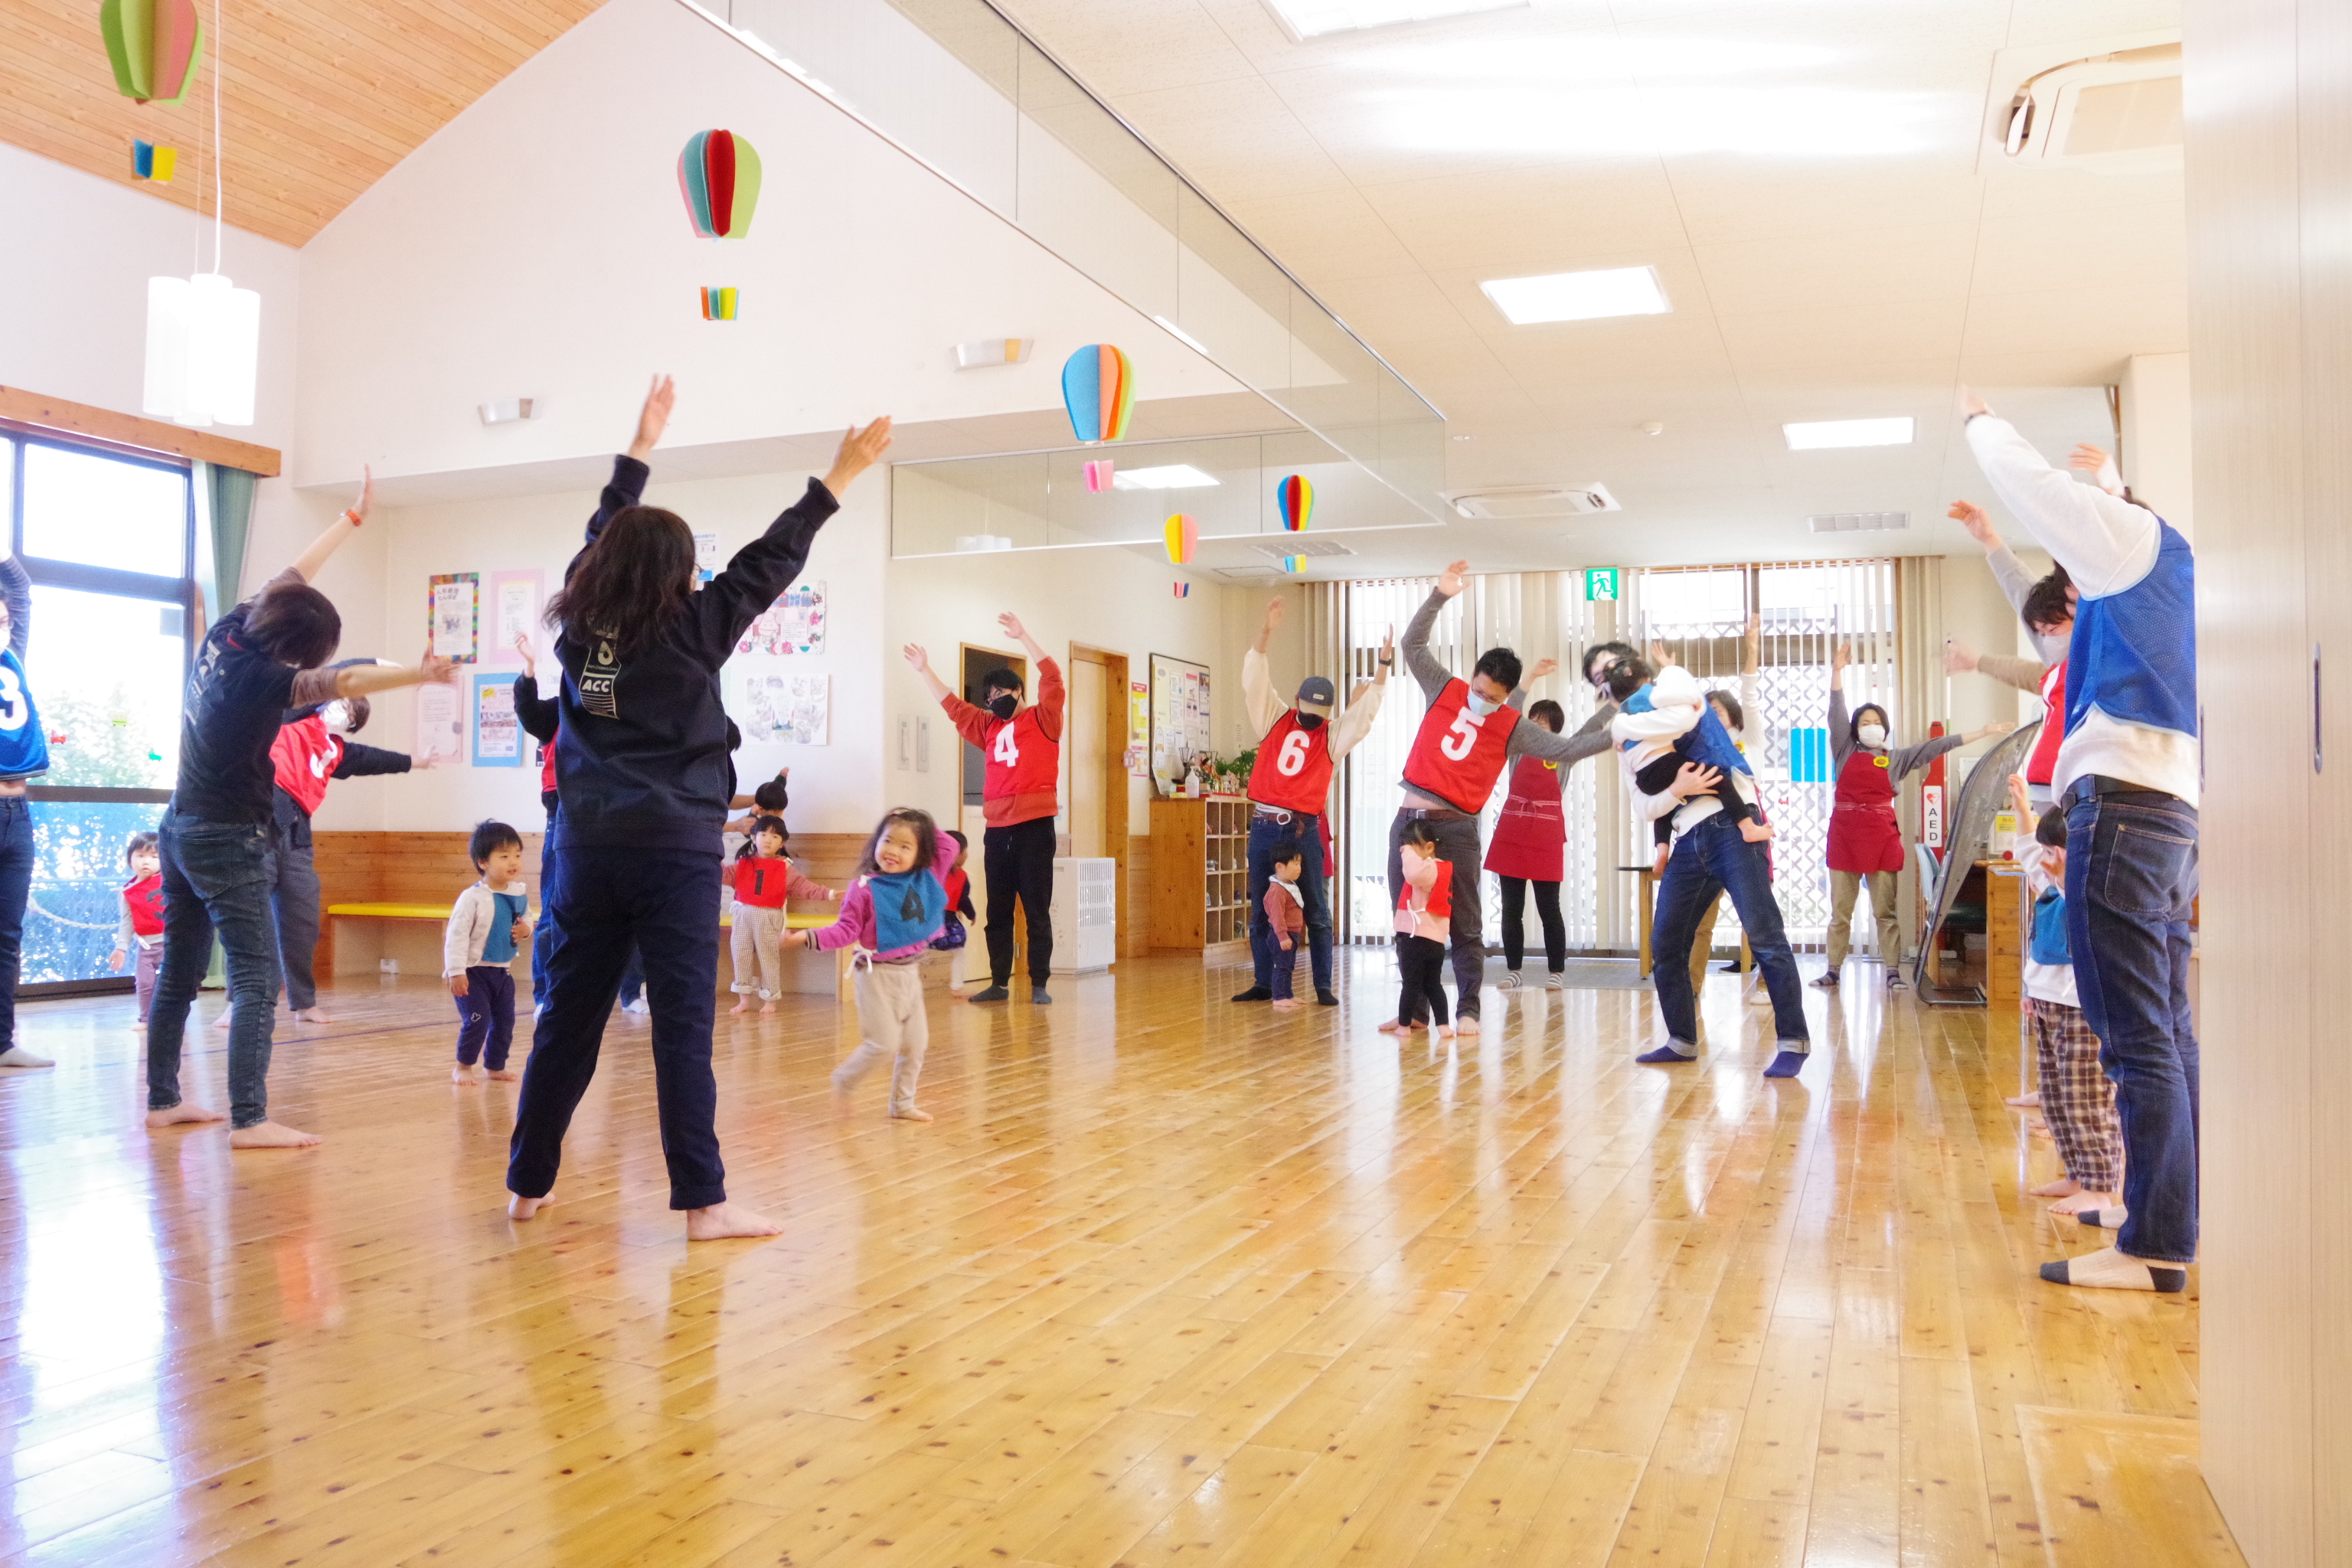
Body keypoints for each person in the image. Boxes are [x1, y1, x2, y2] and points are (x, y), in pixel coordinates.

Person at [506, 375, 891, 1239]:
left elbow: (599, 536)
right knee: (682, 1028)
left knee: (567, 1019)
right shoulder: (692, 628)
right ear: (678, 574)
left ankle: (527, 1185)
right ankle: (702, 1203)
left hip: (585, 849)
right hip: (673, 851)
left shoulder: (576, 631)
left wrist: (638, 452)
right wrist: (839, 475)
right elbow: (771, 559)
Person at [1963, 387, 2197, 1295]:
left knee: (2135, 1036)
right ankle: (2161, 1214)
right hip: (2168, 811)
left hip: (2127, 810)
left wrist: (1982, 422)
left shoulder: (2135, 546)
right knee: (2165, 1030)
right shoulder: (2166, 580)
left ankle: (2154, 1241)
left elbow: (2036, 488)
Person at [145, 469, 457, 1145]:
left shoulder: (229, 631)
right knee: (257, 980)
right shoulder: (261, 679)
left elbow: (293, 575)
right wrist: (418, 674)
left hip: (179, 826)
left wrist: (351, 520)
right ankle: (250, 1119)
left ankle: (164, 1099)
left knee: (180, 971)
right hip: (227, 837)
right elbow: (339, 681)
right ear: (294, 651)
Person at [1389, 560, 1615, 1034]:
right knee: (1408, 919)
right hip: (1409, 822)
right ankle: (1414, 1011)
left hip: (1456, 827)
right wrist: (1439, 595)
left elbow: (1568, 749)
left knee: (1465, 925)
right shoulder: (1444, 687)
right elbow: (1412, 646)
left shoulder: (1514, 726)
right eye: (1477, 689)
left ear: (1508, 694)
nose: (1480, 699)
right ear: (1471, 677)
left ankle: (1468, 1009)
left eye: (1492, 697)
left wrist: (1619, 732)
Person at [1603, 648, 1811, 1076]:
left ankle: (1794, 1041)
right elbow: (1647, 806)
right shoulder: (1634, 736)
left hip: (1732, 829)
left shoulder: (1680, 711)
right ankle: (1681, 1040)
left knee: (1764, 934)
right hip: (1688, 839)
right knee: (1666, 942)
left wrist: (1669, 672)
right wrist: (1676, 795)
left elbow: (1687, 706)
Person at [1816, 642, 2011, 988]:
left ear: (1885, 728)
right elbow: (1836, 711)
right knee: (1840, 913)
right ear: (1855, 729)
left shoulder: (1897, 759)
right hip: (1844, 837)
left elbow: (1937, 746)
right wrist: (1837, 672)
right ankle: (1833, 970)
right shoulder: (1844, 750)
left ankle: (1893, 971)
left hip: (1882, 840)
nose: (1870, 726)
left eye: (1876, 722)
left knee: (1885, 912)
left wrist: (1983, 732)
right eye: (1864, 723)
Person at [239, 684, 430, 1027]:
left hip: (298, 838)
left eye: (352, 716)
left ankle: (304, 1002)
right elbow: (310, 689)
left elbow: (373, 759)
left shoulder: (336, 750)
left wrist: (416, 762)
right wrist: (340, 686)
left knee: (302, 924)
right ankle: (239, 1001)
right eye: (342, 705)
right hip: (261, 829)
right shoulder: (289, 721)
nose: (343, 714)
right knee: (252, 921)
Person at [1229, 598, 1388, 1007]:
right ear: (1297, 700)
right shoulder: (1274, 717)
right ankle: (1264, 983)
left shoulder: (1332, 735)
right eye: (1308, 708)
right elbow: (1255, 678)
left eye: (1321, 712)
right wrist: (1266, 631)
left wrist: (1383, 668)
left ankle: (1322, 986)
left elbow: (1363, 717)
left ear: (1329, 711)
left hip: (1303, 827)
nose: (1313, 717)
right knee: (1261, 906)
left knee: (1316, 908)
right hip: (1265, 825)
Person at [903, 615, 1063, 1004]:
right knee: (999, 909)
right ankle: (999, 982)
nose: (994, 701)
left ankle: (1039, 983)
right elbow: (953, 707)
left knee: (1037, 908)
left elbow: (1053, 677)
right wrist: (925, 670)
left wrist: (1024, 636)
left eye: (1000, 693)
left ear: (1018, 690)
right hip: (998, 830)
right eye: (989, 698)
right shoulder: (988, 726)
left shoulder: (1044, 718)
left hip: (1035, 827)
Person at [787, 807, 957, 1122]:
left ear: (921, 852)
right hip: (876, 976)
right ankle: (845, 1079)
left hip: (910, 975)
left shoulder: (926, 877)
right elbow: (845, 931)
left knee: (915, 1046)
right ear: (876, 843)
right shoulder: (863, 889)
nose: (893, 851)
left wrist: (917, 820)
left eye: (905, 846)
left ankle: (902, 1104)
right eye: (887, 841)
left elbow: (950, 846)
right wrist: (805, 937)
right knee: (883, 1044)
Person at [2006, 773, 2119, 1217]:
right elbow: (2027, 847)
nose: (2046, 859)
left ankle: (2099, 1186)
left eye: (2054, 852)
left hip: (2081, 1008)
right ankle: (2076, 1174)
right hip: (2048, 1003)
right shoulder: (2051, 883)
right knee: (2056, 1097)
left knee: (2086, 1098)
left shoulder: (2093, 889)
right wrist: (2022, 807)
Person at [0, 541, 52, 1071]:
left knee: (7, 936)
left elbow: (20, 588)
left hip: (18, 814)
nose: (5, 625)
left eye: (5, 620)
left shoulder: (12, 657)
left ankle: (1, 1042)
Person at [1485, 699, 1573, 988]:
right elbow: (1509, 715)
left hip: (1546, 836)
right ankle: (1514, 971)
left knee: (1550, 909)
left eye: (1542, 723)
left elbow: (1591, 732)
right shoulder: (1518, 749)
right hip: (1513, 833)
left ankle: (1556, 972)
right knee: (1511, 908)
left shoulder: (1564, 753)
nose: (1535, 727)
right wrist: (1529, 679)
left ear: (1555, 728)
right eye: (1532, 721)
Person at [445, 819, 531, 1086]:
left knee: (505, 1022)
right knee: (477, 1020)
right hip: (473, 973)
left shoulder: (518, 893)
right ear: (483, 862)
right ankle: (463, 1067)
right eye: (504, 856)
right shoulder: (472, 898)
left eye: (517, 855)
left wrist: (526, 930)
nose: (513, 862)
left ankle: (494, 1066)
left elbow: (527, 919)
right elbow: (456, 936)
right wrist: (456, 972)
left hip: (502, 973)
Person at [728, 815, 835, 1014]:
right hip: (742, 915)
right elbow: (724, 875)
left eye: (775, 836)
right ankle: (744, 1000)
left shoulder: (785, 867)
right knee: (740, 955)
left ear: (782, 842)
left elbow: (805, 887)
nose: (768, 840)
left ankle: (770, 1000)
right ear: (754, 837)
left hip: (769, 917)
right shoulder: (743, 863)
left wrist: (829, 894)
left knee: (768, 958)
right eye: (763, 834)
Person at [1388, 819, 1452, 1037]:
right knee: (1433, 985)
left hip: (1416, 938)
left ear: (1429, 848)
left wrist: (1406, 852)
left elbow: (1413, 874)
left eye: (1411, 848)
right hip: (1434, 940)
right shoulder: (1438, 868)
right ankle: (1443, 1026)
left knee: (1411, 985)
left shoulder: (1429, 868)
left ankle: (1404, 1026)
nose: (1406, 854)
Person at [109, 832, 165, 1031]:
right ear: (130, 859)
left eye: (154, 856)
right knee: (144, 983)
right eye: (140, 856)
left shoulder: (169, 881)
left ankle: (174, 1018)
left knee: (172, 985)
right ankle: (146, 1019)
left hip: (172, 944)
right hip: (147, 947)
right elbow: (127, 921)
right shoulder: (127, 892)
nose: (146, 861)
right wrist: (121, 948)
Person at [1262, 842, 1308, 1011]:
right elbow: (1277, 916)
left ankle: (1288, 994)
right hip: (1282, 935)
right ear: (1280, 866)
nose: (1299, 868)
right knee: (1282, 967)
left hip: (1292, 934)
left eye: (1300, 864)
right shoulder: (1277, 890)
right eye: (1295, 864)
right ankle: (1279, 997)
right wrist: (1282, 936)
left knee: (1288, 966)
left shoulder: (1289, 885)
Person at [930, 829, 975, 992]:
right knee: (958, 950)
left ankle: (957, 986)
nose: (966, 855)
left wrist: (971, 914)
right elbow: (963, 900)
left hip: (940, 919)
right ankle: (957, 987)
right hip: (936, 920)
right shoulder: (933, 872)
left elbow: (963, 899)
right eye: (964, 851)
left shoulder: (960, 875)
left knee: (958, 949)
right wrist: (971, 915)